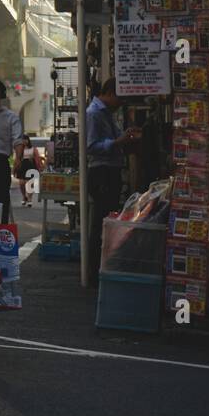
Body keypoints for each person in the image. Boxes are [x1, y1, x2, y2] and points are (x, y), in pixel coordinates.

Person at [86, 79, 140, 285]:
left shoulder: (107, 113)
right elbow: (91, 146)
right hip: (102, 172)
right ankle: (92, 271)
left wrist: (125, 138)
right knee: (100, 221)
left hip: (110, 170)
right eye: (120, 97)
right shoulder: (94, 113)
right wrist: (118, 142)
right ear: (109, 92)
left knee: (107, 219)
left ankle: (100, 268)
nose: (121, 103)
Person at [0, 79, 24, 224]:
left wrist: (18, 158)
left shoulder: (10, 117)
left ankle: (1, 231)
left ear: (1, 94)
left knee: (2, 199)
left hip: (0, 162)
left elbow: (17, 140)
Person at [16, 135, 43, 207]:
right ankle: (24, 196)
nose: (24, 141)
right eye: (23, 140)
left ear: (28, 140)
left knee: (29, 183)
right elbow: (16, 159)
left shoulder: (33, 149)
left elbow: (38, 159)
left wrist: (40, 168)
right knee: (21, 183)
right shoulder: (19, 149)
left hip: (31, 166)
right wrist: (15, 168)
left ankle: (30, 199)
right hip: (22, 166)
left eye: (26, 139)